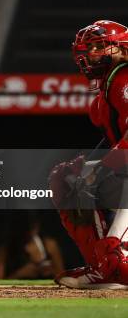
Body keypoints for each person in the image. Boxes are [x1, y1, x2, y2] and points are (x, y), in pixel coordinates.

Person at [50, 20, 128, 289]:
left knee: (93, 175)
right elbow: (115, 139)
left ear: (122, 50)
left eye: (99, 46)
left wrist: (100, 168)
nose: (91, 54)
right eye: (89, 48)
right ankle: (104, 265)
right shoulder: (109, 87)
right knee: (67, 176)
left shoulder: (124, 79)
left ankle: (115, 259)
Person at [0, 214, 64, 279]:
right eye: (25, 229)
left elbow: (62, 278)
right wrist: (19, 275)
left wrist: (51, 272)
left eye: (33, 227)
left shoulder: (49, 245)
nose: (30, 233)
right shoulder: (4, 250)